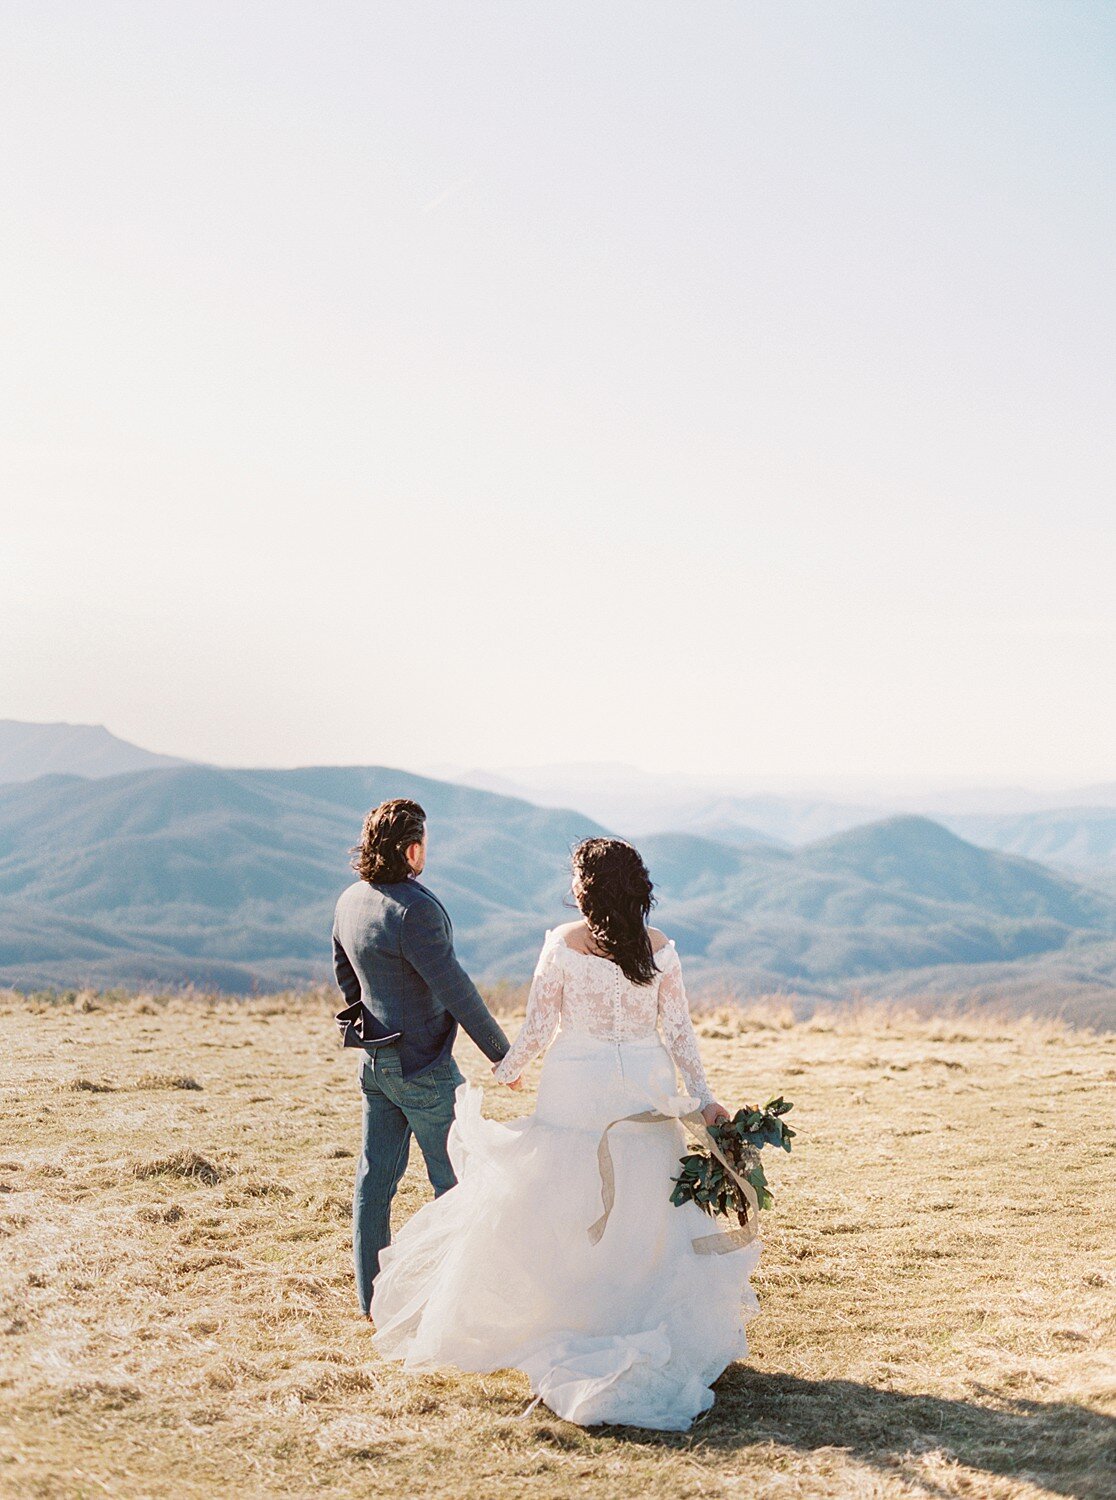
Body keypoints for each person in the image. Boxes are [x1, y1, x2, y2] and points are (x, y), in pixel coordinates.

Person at [368, 836, 761, 1432]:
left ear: (588, 888)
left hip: (578, 1085)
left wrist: (507, 1070)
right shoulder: (661, 950)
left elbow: (539, 1024)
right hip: (645, 1087)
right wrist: (704, 1100)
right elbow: (681, 1035)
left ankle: (571, 1310)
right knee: (646, 1199)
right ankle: (635, 1307)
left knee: (565, 1196)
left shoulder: (562, 943)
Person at [332, 797, 512, 1319]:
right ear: (412, 850)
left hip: (376, 1063)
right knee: (457, 1184)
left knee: (374, 1181)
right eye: (425, 844)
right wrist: (502, 1055)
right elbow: (456, 989)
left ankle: (371, 1300)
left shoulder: (349, 900)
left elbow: (348, 980)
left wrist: (372, 1034)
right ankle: (460, 1305)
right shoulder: (415, 911)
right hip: (425, 1067)